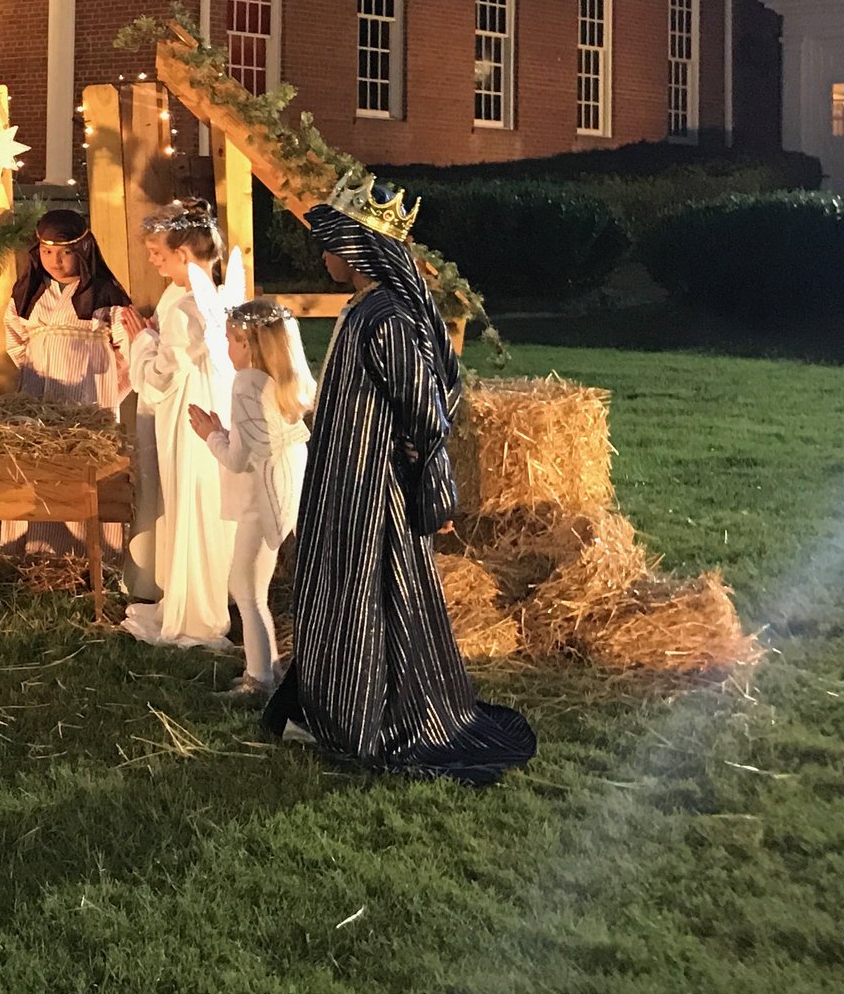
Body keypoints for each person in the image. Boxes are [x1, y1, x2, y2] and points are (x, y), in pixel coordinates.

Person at [264, 178, 536, 785]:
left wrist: (426, 484)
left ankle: (369, 716)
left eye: (331, 245)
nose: (324, 256)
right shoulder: (364, 311)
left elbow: (424, 408)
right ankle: (333, 706)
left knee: (375, 593)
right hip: (346, 481)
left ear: (359, 249)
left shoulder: (387, 318)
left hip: (375, 490)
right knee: (340, 588)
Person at [111, 201, 236, 650]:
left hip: (189, 415)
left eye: (158, 253)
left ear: (183, 252)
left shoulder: (187, 307)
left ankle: (197, 613)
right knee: (193, 500)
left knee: (192, 501)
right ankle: (190, 594)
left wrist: (137, 339)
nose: (152, 260)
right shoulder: (203, 294)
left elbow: (158, 378)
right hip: (204, 407)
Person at [189, 297, 311, 695]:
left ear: (249, 344)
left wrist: (211, 434)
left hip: (261, 498)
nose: (227, 348)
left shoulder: (247, 384)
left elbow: (238, 459)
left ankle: (258, 679)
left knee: (245, 586)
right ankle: (267, 668)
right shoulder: (286, 382)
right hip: (284, 485)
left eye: (230, 340)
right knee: (251, 585)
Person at [1, 208, 130, 553]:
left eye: (65, 252)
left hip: (88, 399)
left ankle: (93, 552)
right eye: (47, 252)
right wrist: (34, 377)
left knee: (84, 471)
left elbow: (130, 350)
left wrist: (106, 395)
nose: (55, 261)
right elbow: (15, 341)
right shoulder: (29, 294)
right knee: (39, 466)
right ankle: (37, 549)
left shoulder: (107, 297)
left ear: (84, 250)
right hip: (39, 397)